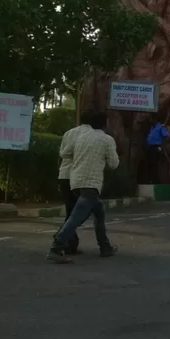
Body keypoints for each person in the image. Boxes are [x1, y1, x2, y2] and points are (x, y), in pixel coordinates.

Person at [48, 110, 119, 263]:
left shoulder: (81, 137)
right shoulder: (107, 139)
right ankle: (56, 245)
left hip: (75, 180)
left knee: (99, 211)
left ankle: (105, 247)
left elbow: (65, 153)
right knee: (76, 216)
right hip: (91, 183)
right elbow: (113, 164)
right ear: (104, 123)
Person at [55, 117, 94, 255]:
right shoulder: (90, 136)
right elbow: (65, 153)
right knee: (79, 212)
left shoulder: (69, 133)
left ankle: (69, 243)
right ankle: (60, 238)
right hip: (78, 176)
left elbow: (62, 153)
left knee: (71, 211)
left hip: (64, 175)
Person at [142, 116, 168, 182]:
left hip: (156, 148)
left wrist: (161, 147)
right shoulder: (152, 127)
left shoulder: (161, 127)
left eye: (151, 119)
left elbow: (165, 137)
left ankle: (155, 180)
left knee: (154, 164)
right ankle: (150, 179)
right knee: (149, 164)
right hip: (149, 148)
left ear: (155, 119)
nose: (150, 121)